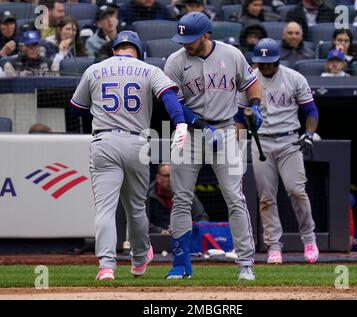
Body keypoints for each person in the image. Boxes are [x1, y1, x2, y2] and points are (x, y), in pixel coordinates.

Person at [70, 31, 188, 281]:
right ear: (138, 51)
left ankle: (106, 267)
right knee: (135, 208)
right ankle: (138, 259)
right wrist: (180, 124)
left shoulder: (95, 69)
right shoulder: (148, 69)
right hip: (137, 141)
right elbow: (170, 97)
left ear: (115, 50)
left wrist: (102, 113)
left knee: (104, 209)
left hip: (104, 140)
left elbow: (76, 108)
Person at [164, 12, 262, 281]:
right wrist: (198, 125)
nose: (185, 43)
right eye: (182, 38)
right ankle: (181, 265)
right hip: (189, 131)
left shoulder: (231, 55)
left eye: (190, 39)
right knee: (181, 199)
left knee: (234, 197)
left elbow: (252, 84)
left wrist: (254, 107)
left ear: (206, 35)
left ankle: (246, 263)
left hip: (226, 129)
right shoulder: (175, 61)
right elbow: (172, 102)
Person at [235, 38, 320, 265]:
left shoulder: (294, 78)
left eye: (269, 63)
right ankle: (274, 246)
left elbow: (311, 111)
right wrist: (238, 135)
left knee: (296, 190)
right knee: (266, 197)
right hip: (261, 141)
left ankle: (309, 239)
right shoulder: (249, 79)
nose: (264, 67)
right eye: (261, 63)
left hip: (289, 140)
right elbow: (238, 116)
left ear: (277, 60)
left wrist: (309, 134)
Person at [147, 163, 208, 234]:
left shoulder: (185, 192)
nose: (171, 179)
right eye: (167, 176)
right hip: (156, 239)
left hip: (184, 236)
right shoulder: (148, 195)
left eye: (174, 176)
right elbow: (141, 221)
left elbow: (202, 217)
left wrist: (193, 229)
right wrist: (160, 231)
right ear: (158, 178)